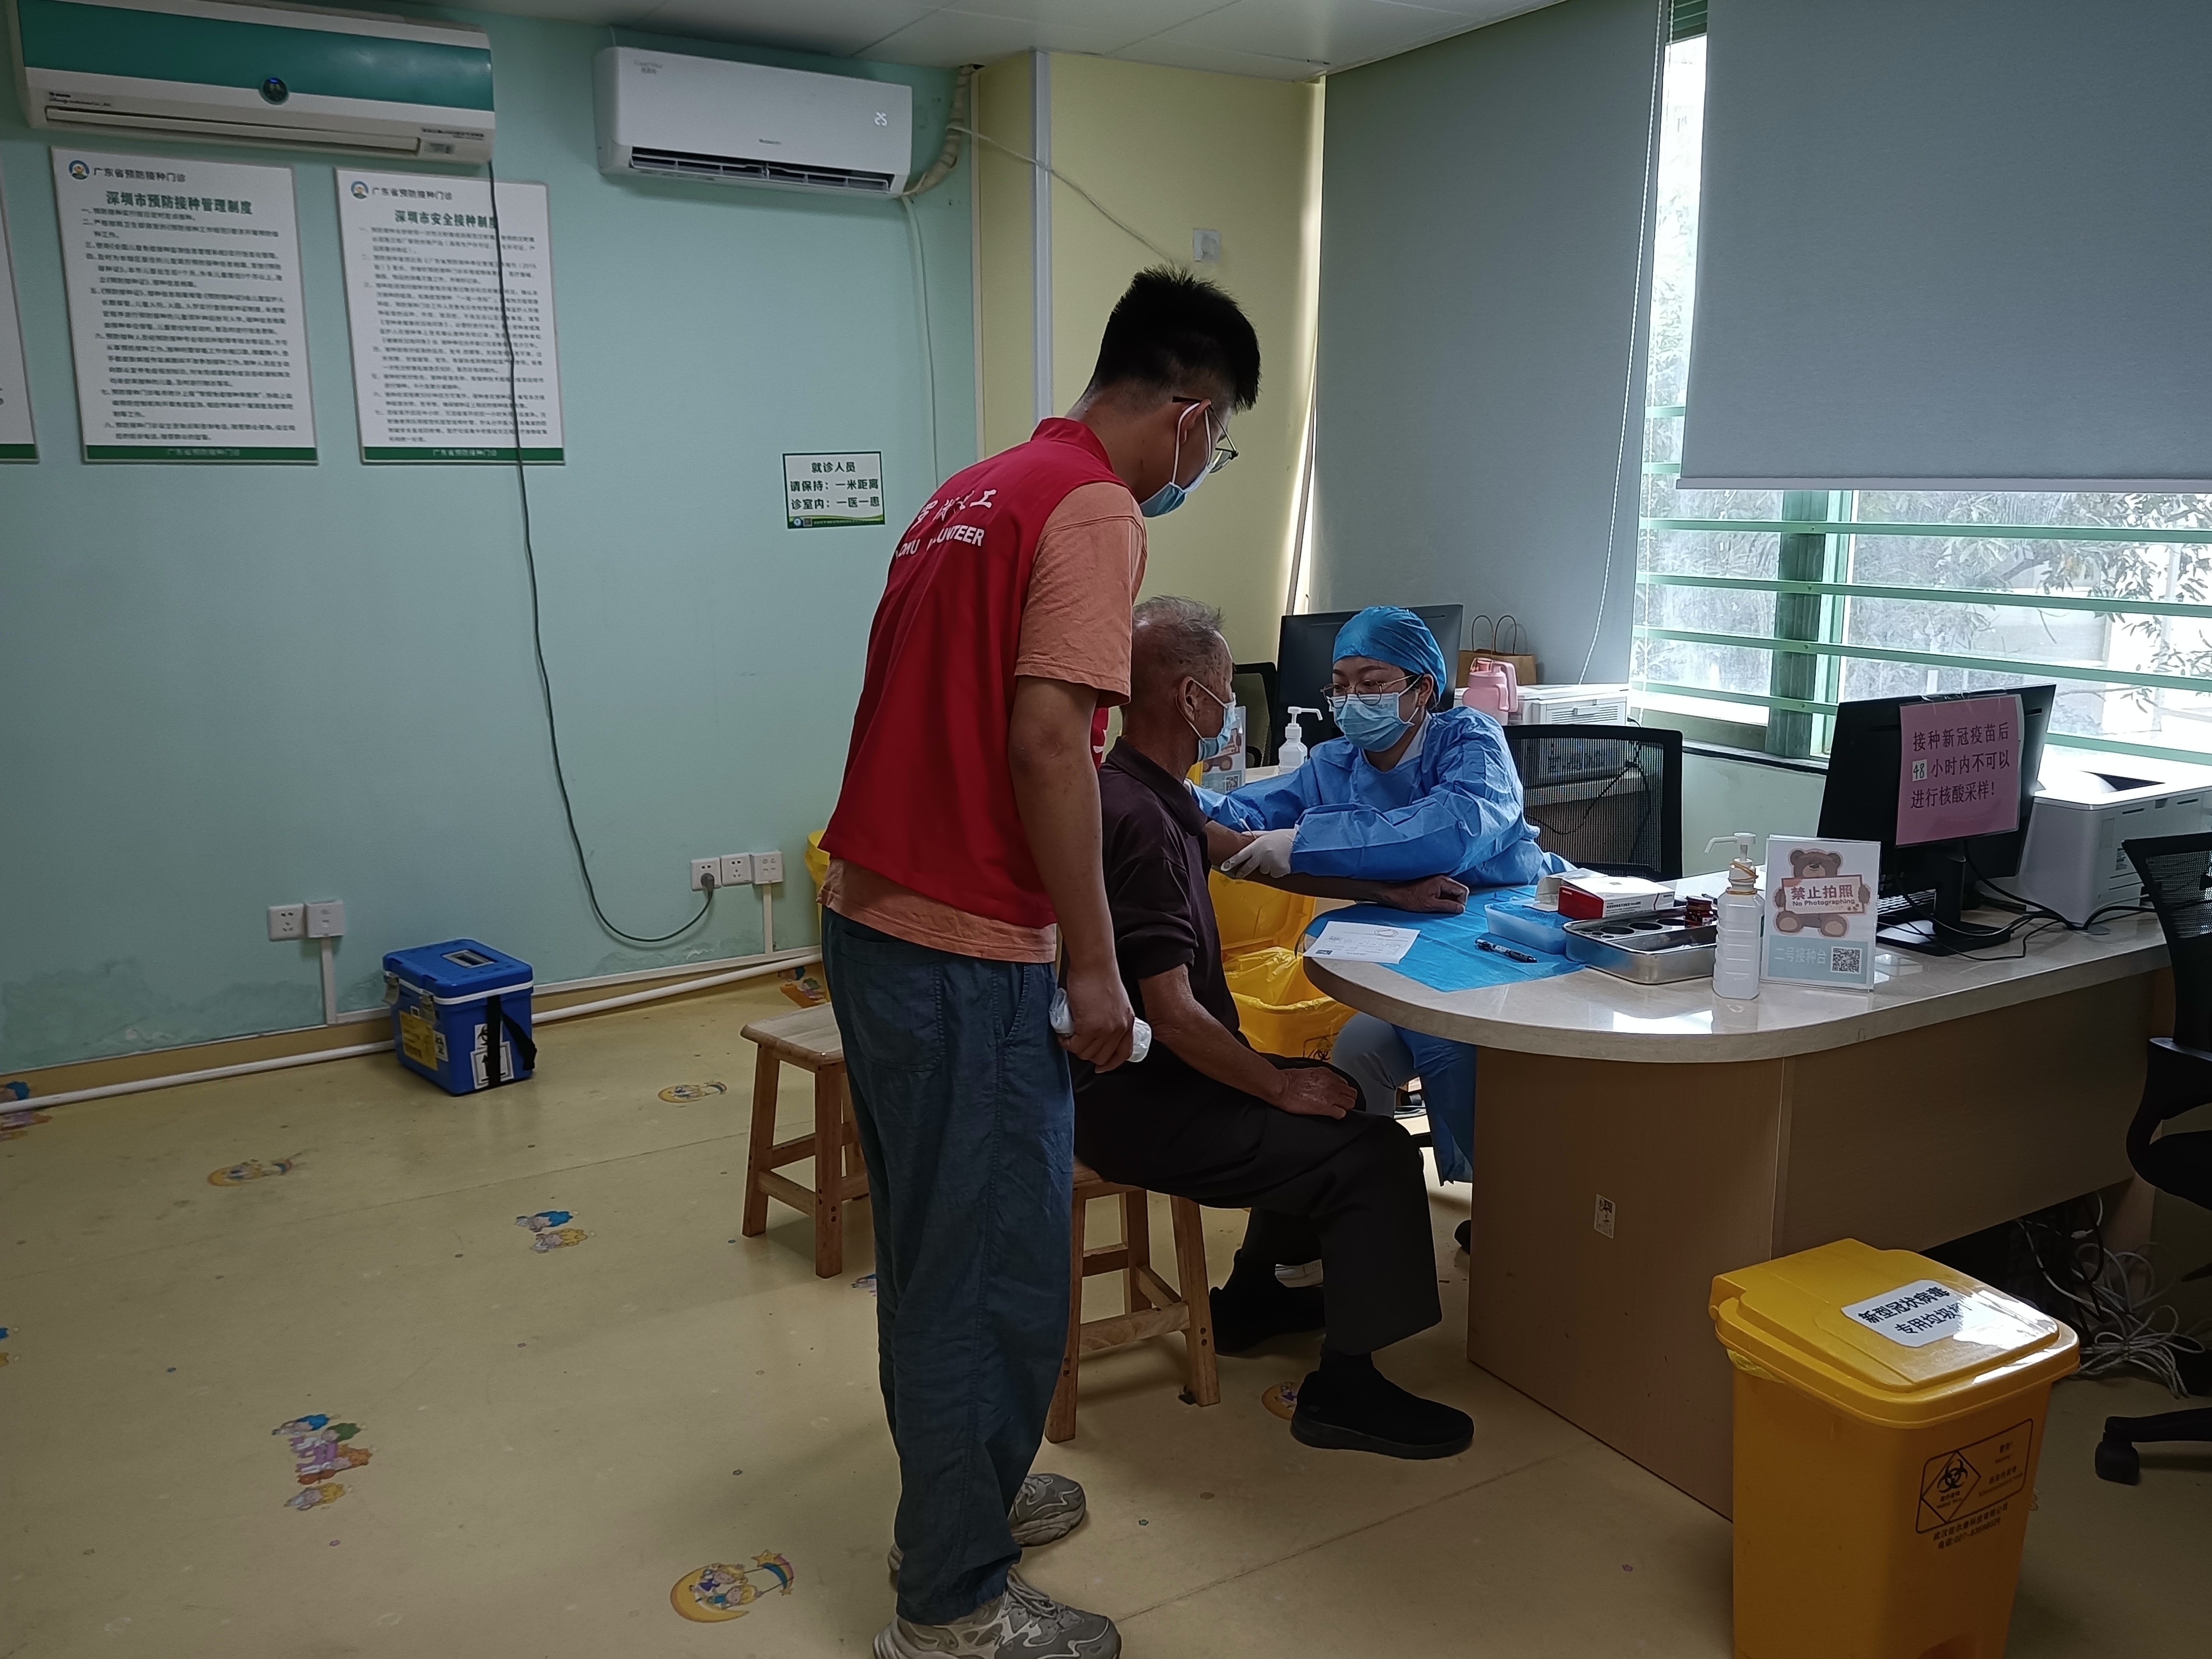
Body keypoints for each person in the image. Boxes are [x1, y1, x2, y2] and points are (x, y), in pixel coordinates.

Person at [818, 268, 1260, 1659]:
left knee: (935, 1255)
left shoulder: (976, 490)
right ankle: (951, 1604)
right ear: (1189, 416)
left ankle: (967, 1497)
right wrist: (1094, 966)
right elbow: (1048, 742)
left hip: (874, 917)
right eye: (1222, 438)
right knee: (996, 1274)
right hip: (965, 944)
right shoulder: (1095, 507)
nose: (1207, 461)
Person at [1076, 596, 1475, 1460]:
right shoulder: (1142, 822)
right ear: (1190, 699)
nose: (1232, 707)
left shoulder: (1141, 790)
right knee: (1370, 1149)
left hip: (1146, 1079)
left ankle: (1254, 1296)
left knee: (1328, 1092)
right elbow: (1173, 1015)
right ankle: (1346, 1391)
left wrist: (1389, 892)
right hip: (1144, 1099)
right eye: (1224, 688)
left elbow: (1247, 856)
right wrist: (1274, 1083)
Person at [1203, 606, 1561, 1190]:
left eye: (1371, 684)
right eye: (1340, 686)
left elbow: (1453, 830)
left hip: (1508, 923)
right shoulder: (1336, 763)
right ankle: (1366, 1199)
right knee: (1361, 1050)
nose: (1352, 701)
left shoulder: (1471, 739)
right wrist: (1165, 794)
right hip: (1417, 935)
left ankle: (1514, 1201)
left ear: (1423, 689)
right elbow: (1248, 810)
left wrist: (1304, 843)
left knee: (1454, 1045)